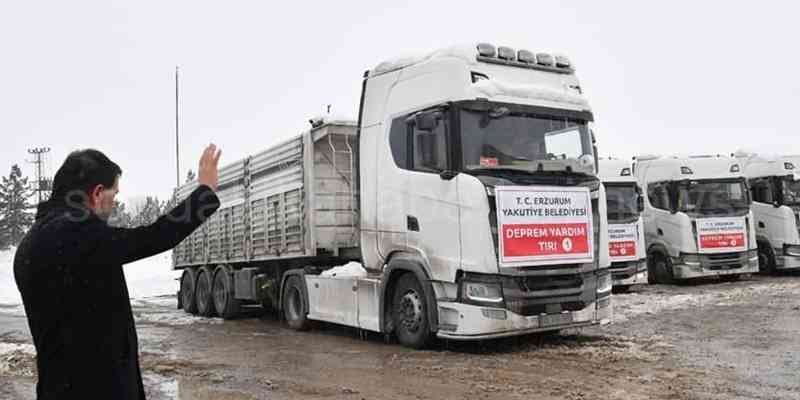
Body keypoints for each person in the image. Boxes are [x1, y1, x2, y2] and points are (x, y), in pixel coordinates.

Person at [14, 144, 222, 399]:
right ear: (98, 193)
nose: (115, 202)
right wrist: (204, 193)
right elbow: (155, 236)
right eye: (115, 193)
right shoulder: (76, 235)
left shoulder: (31, 242)